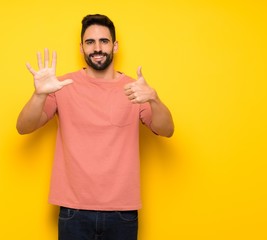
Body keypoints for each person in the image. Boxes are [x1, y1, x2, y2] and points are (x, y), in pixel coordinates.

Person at [17, 14, 174, 240]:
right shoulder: (62, 86)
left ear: (115, 46)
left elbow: (167, 130)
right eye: (90, 42)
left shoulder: (134, 89)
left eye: (104, 41)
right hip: (73, 211)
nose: (97, 48)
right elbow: (24, 127)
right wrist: (39, 94)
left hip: (123, 212)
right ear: (81, 48)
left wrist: (154, 99)